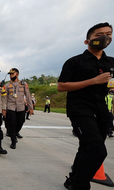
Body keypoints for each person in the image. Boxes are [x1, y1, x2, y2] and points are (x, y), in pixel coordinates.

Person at [58, 22, 113, 190]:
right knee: (97, 150)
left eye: (108, 34)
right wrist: (94, 81)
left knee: (87, 148)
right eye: (98, 35)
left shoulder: (111, 63)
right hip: (80, 109)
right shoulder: (74, 62)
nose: (104, 37)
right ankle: (79, 186)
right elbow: (62, 86)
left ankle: (73, 179)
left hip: (103, 110)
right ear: (87, 41)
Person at [2, 68, 33, 149]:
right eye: (10, 74)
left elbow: (28, 96)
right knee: (11, 124)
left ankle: (14, 134)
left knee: (20, 122)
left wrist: (30, 107)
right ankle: (13, 140)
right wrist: (4, 109)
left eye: (12, 74)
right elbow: (5, 98)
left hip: (20, 107)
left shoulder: (23, 84)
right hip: (11, 107)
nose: (11, 76)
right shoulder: (8, 85)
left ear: (17, 74)